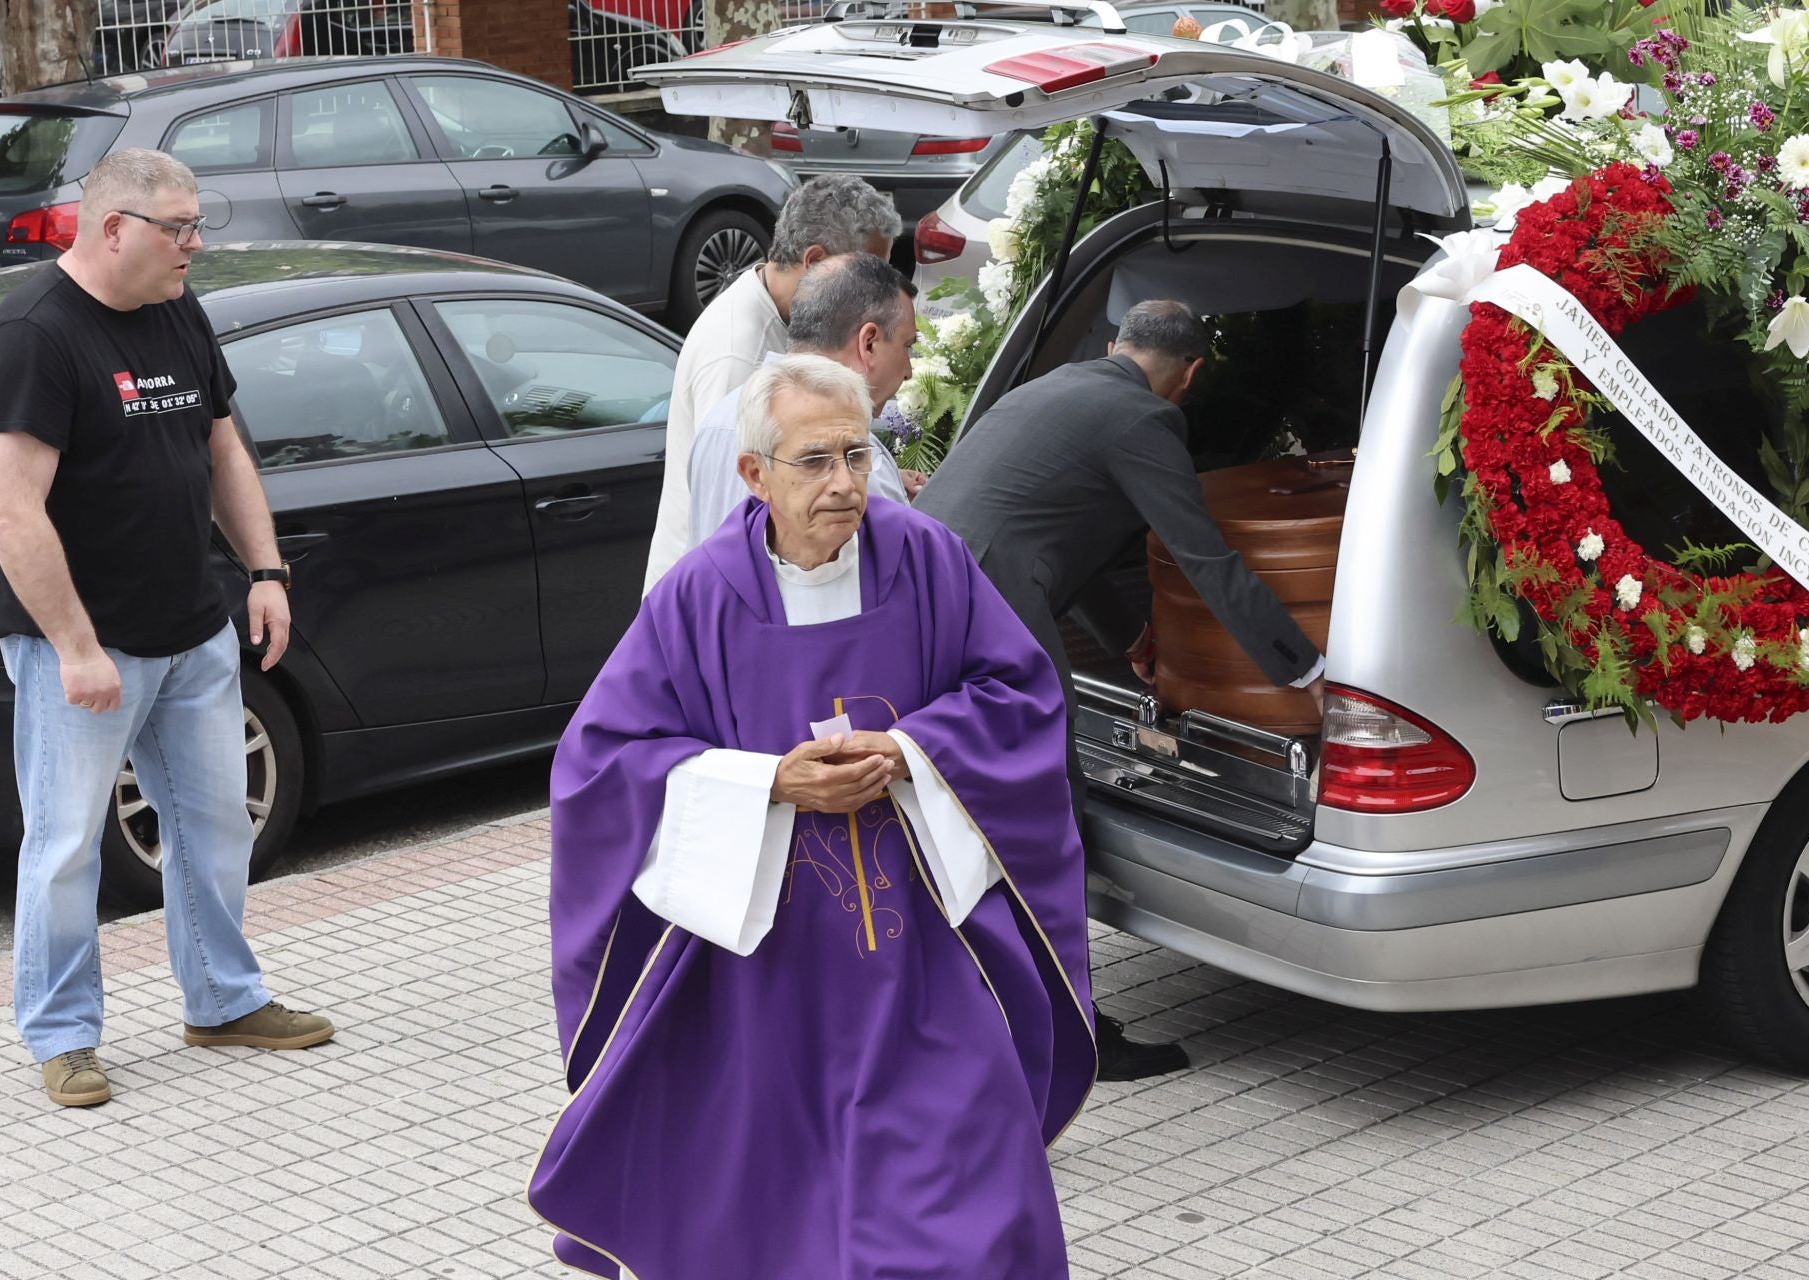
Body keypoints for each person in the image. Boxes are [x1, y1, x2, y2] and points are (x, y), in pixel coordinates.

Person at [531, 355, 1095, 1279]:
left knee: (973, 1198)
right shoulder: (700, 596)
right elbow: (601, 766)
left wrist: (910, 752)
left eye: (858, 454)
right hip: (764, 978)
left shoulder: (929, 561)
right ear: (755, 475)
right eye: (813, 461)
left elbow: (1019, 693)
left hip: (925, 956)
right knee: (777, 1214)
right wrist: (766, 784)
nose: (845, 484)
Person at [0, 150, 334, 1109]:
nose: (195, 243)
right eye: (176, 228)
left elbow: (222, 443)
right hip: (85, 648)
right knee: (64, 847)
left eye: (195, 224)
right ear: (112, 229)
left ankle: (222, 1000)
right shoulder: (32, 336)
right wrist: (75, 646)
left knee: (216, 826)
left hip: (193, 629)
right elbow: (10, 511)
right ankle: (63, 1038)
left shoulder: (177, 310)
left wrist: (263, 571)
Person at [917, 299, 1323, 1081]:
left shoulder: (1054, 389)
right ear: (1191, 375)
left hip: (920, 596)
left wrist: (1129, 638)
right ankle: (1075, 1035)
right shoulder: (1145, 421)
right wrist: (1301, 670)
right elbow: (1205, 560)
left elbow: (1066, 524)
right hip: (987, 612)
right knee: (1047, 814)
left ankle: (974, 1009)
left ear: (1116, 344)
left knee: (968, 810)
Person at [642, 173, 901, 594]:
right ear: (816, 263)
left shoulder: (781, 310)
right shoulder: (737, 354)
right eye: (869, 279)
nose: (879, 298)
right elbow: (740, 501)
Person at [686, 252, 924, 548]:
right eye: (907, 346)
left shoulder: (720, 418)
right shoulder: (854, 460)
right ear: (869, 342)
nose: (909, 371)